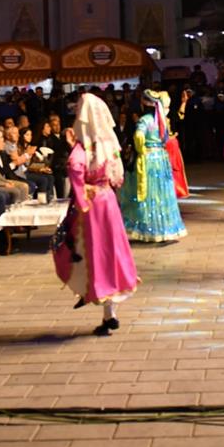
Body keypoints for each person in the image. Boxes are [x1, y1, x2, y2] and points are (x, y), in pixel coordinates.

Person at [52, 94, 139, 336]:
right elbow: (117, 176)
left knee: (91, 254)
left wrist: (81, 198)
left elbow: (74, 167)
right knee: (111, 251)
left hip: (91, 205)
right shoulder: (109, 143)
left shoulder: (84, 147)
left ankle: (104, 305)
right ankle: (109, 313)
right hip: (108, 200)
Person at [118, 89, 186, 243]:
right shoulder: (161, 120)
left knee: (150, 193)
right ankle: (166, 229)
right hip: (161, 157)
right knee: (162, 193)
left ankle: (150, 229)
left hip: (148, 158)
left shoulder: (146, 120)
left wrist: (140, 149)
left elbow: (138, 136)